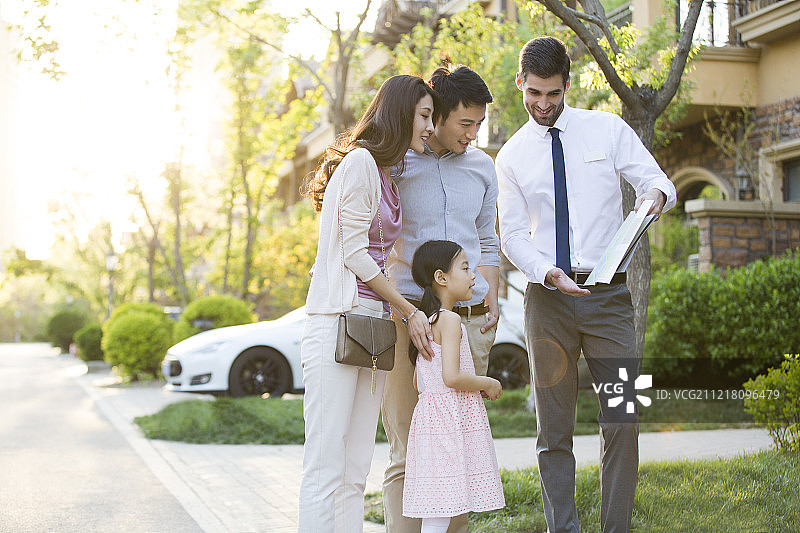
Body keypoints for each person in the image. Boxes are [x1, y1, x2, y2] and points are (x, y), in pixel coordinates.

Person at [495, 36, 677, 533]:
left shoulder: (607, 128)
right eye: (534, 93)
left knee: (623, 417)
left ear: (568, 85)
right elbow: (512, 236)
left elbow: (659, 182)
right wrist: (546, 272)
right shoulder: (510, 156)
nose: (543, 104)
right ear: (520, 82)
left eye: (553, 93)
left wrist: (653, 201)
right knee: (553, 430)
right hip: (547, 300)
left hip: (609, 297)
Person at [297, 74, 438, 533]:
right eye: (424, 116)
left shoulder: (387, 175)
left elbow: (381, 257)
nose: (430, 127)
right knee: (325, 466)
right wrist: (409, 309)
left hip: (372, 329)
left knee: (356, 469)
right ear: (400, 114)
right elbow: (355, 252)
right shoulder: (359, 162)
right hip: (336, 323)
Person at [382, 65, 500, 533]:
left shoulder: (482, 167)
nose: (473, 134)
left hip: (468, 322)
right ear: (438, 115)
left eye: (479, 124)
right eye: (465, 123)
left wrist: (491, 298)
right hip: (409, 320)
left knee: (461, 451)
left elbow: (487, 239)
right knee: (408, 448)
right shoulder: (400, 164)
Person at [402, 240, 505, 533]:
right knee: (444, 506)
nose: (473, 275)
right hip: (447, 422)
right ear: (441, 277)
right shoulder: (449, 320)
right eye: (465, 268)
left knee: (438, 506)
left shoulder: (428, 321)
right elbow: (452, 377)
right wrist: (487, 382)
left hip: (430, 420)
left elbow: (419, 382)